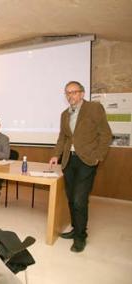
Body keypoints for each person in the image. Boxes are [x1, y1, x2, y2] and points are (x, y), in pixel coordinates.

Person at [49, 81, 112, 253]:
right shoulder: (64, 114)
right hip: (69, 160)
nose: (70, 96)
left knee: (79, 200)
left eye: (74, 92)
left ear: (82, 94)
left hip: (87, 160)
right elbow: (63, 137)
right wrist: (56, 155)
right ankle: (76, 229)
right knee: (71, 198)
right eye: (67, 93)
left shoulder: (94, 108)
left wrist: (98, 156)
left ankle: (80, 237)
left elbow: (106, 134)